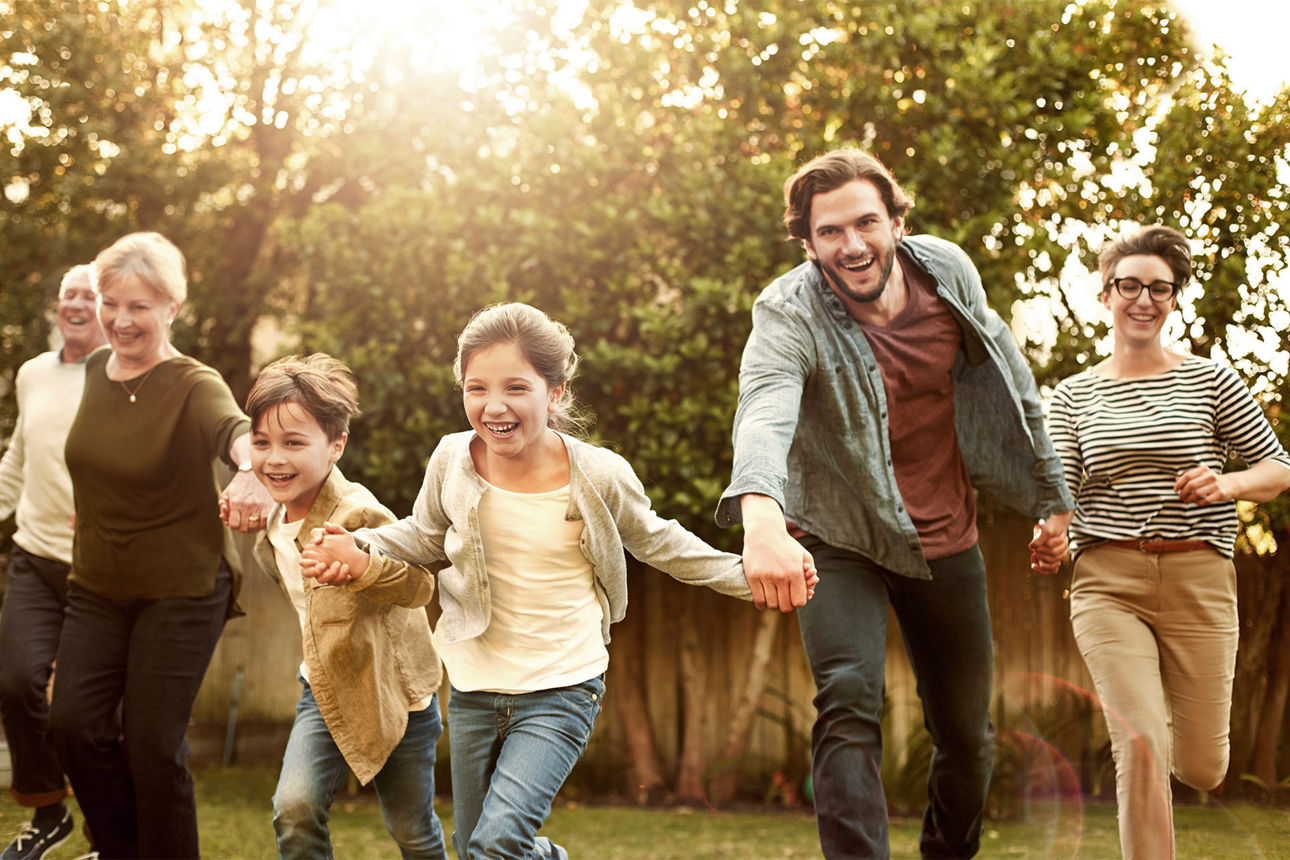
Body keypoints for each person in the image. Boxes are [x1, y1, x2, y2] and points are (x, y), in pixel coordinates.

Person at [302, 302, 816, 860]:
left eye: (516, 387)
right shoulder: (452, 459)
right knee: (478, 849)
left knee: (498, 844)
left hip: (562, 686)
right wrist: (359, 546)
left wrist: (750, 575)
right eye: (477, 388)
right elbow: (424, 537)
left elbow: (660, 542)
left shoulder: (596, 473)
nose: (493, 406)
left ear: (556, 392)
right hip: (475, 687)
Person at [715, 149, 1074, 858]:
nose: (852, 246)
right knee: (848, 699)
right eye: (829, 233)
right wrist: (761, 519)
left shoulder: (948, 271)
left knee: (966, 735)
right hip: (835, 534)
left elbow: (1014, 379)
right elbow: (764, 411)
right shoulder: (788, 312)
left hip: (943, 537)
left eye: (867, 223)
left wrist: (1053, 499)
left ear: (897, 221)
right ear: (807, 242)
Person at [1042, 225, 1290, 859]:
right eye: (1129, 285)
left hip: (1198, 581)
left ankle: (1180, 727)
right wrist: (1049, 530)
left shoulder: (1213, 381)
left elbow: (1278, 469)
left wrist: (1226, 480)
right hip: (1107, 583)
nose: (1143, 299)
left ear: (1175, 298)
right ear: (1106, 294)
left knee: (1204, 766)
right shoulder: (1072, 395)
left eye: (1160, 287)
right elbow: (1060, 486)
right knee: (1142, 744)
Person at [45, 232, 273, 859]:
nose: (120, 320)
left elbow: (235, 432)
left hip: (180, 590)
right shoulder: (95, 369)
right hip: (96, 585)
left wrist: (252, 471)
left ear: (171, 307)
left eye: (139, 306)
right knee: (71, 727)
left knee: (151, 747)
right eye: (110, 302)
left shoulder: (193, 383)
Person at [225, 353, 447, 860]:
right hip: (325, 689)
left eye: (294, 443)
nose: (274, 459)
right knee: (294, 806)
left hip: (399, 698)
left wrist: (362, 566)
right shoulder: (273, 519)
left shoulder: (358, 513)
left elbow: (418, 587)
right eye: (262, 443)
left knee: (412, 830)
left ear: (336, 446)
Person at [0, 265, 106, 860]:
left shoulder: (122, 377)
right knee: (16, 682)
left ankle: (106, 837)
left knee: (86, 714)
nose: (77, 303)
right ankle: (47, 814)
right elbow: (19, 456)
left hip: (98, 570)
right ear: (57, 305)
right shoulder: (33, 374)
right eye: (69, 293)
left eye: (90, 296)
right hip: (35, 556)